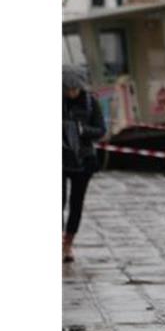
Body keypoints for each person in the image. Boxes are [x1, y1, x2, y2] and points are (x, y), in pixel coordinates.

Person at [63, 66, 106, 263]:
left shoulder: (91, 103)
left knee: (76, 203)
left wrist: (82, 130)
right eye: (66, 88)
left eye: (74, 88)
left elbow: (101, 130)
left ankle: (68, 244)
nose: (71, 92)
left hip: (83, 160)